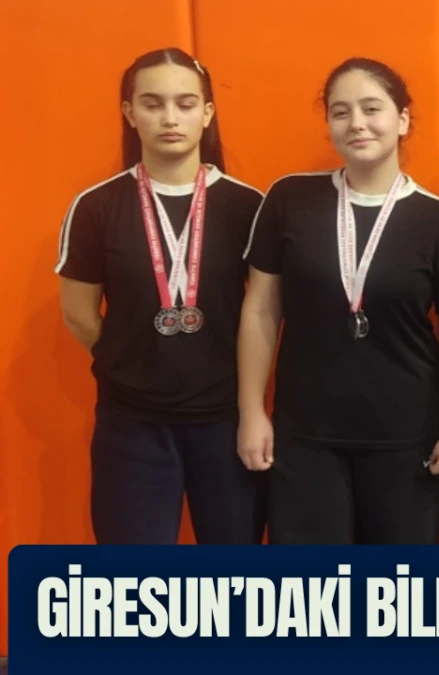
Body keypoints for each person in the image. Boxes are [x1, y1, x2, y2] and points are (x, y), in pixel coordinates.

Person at [237, 58, 439, 544]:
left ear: (402, 119)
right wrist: (251, 411)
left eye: (372, 109)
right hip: (306, 437)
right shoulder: (289, 200)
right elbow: (261, 311)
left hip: (406, 438)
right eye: (340, 112)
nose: (357, 123)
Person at [54, 48, 266, 545]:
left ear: (207, 113)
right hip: (132, 424)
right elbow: (79, 314)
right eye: (152, 104)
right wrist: (134, 365)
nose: (170, 118)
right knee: (135, 577)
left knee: (235, 576)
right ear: (129, 113)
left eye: (185, 104)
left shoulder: (249, 206)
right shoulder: (96, 207)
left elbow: (265, 313)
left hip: (226, 420)